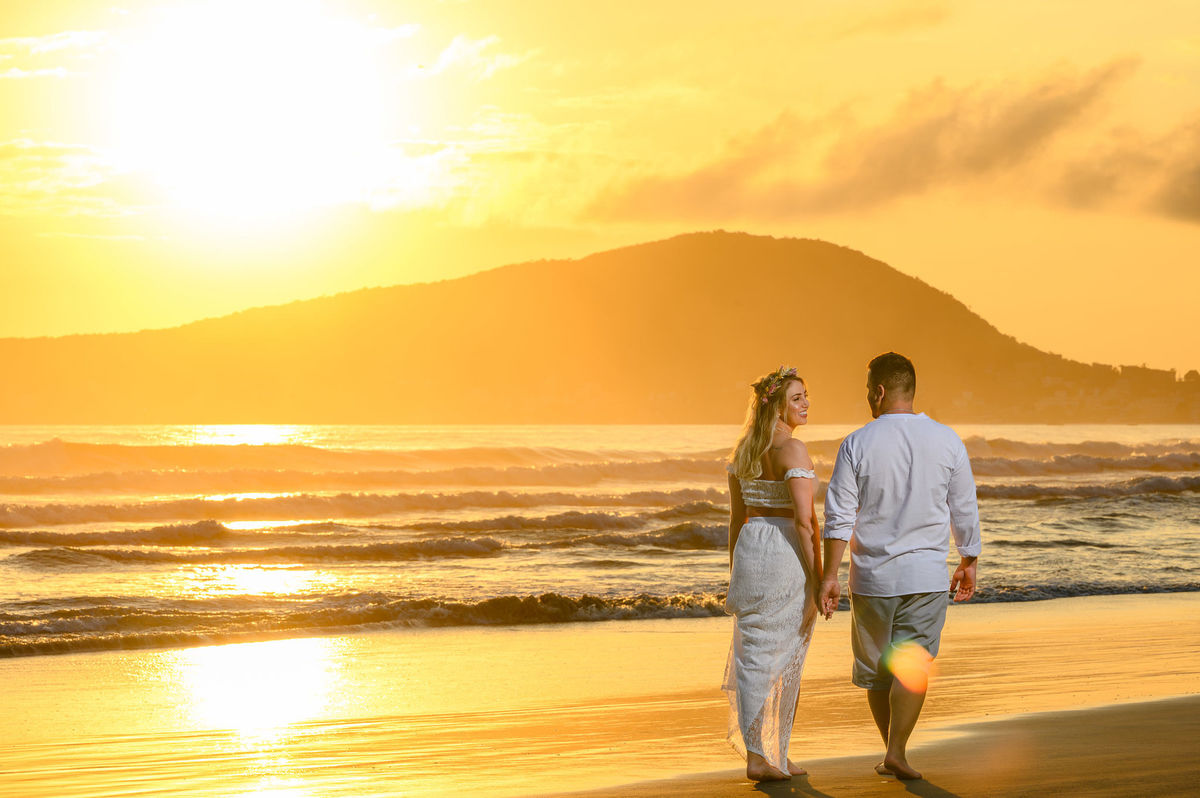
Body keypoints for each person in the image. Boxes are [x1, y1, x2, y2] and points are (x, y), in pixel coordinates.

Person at [818, 352, 982, 781]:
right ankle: (897, 751)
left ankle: (892, 750)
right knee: (913, 665)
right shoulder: (948, 440)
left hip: (872, 578)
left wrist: (829, 576)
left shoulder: (856, 443)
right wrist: (968, 560)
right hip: (926, 576)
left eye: (867, 390)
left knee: (876, 671)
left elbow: (839, 517)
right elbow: (964, 508)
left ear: (879, 390)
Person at [722, 365, 823, 782]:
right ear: (778, 406)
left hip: (751, 548)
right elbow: (804, 522)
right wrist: (819, 579)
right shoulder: (794, 451)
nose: (805, 404)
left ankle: (765, 754)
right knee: (787, 653)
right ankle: (767, 755)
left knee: (754, 655)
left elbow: (735, 520)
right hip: (784, 552)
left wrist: (735, 569)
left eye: (805, 396)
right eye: (796, 398)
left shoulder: (743, 449)